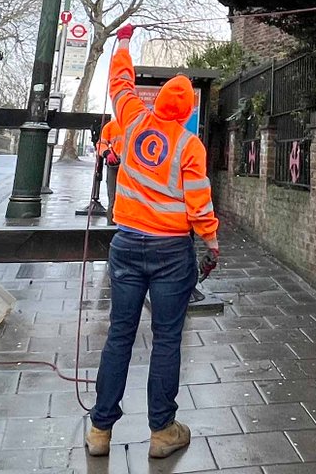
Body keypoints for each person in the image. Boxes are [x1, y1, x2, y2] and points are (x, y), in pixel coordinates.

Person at [86, 25, 220, 460]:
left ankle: (100, 431)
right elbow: (199, 203)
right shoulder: (190, 145)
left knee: (119, 335)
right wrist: (211, 241)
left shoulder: (132, 118)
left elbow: (119, 82)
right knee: (166, 339)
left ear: (159, 103)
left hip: (126, 245)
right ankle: (162, 432)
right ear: (185, 112)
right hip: (170, 253)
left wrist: (123, 42)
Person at [96, 115, 123, 216]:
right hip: (115, 166)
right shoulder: (110, 126)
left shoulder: (137, 124)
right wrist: (107, 153)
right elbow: (100, 145)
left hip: (131, 168)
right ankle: (111, 226)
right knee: (113, 199)